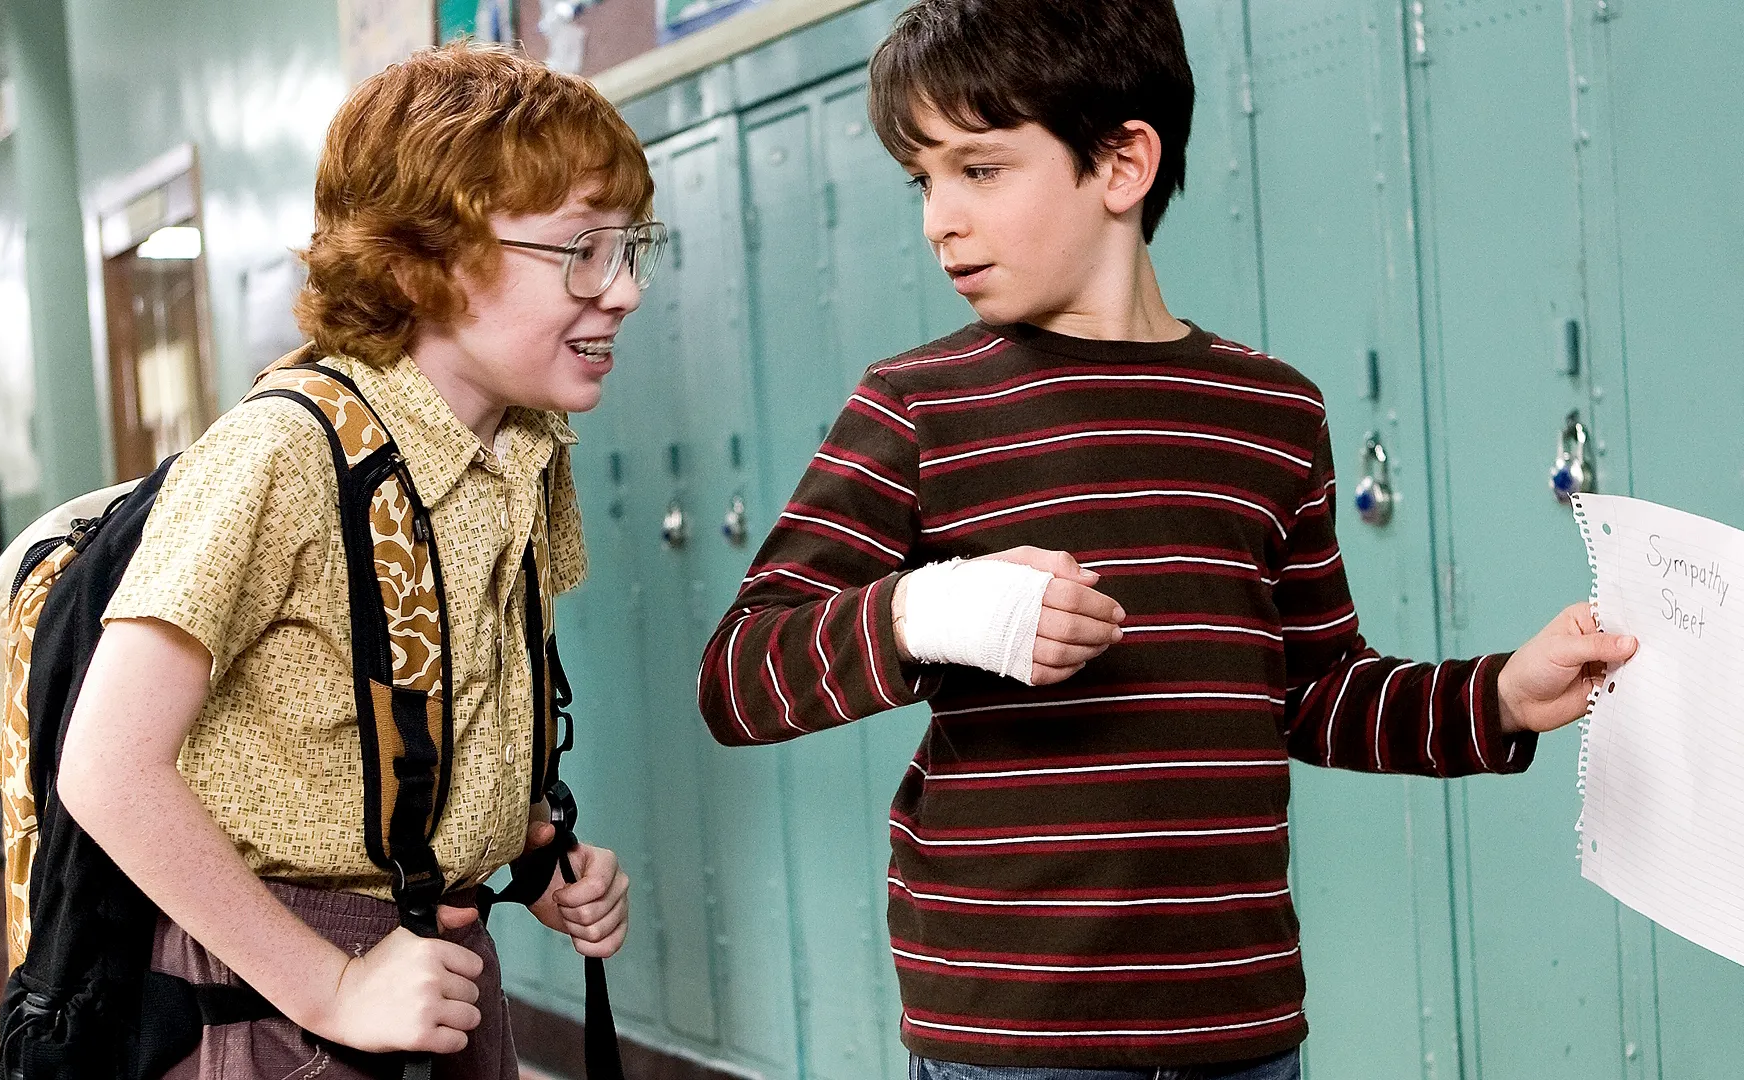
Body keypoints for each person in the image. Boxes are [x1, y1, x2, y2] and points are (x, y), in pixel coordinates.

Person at [695, 2, 1638, 1077]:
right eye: (924, 180)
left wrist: (1504, 694)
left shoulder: (1272, 413)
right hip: (1012, 1033)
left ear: (1122, 162)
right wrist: (928, 611)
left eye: (980, 170)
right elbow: (736, 676)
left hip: (1237, 1025)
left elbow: (1313, 690)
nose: (938, 220)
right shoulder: (919, 406)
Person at [55, 43, 655, 1076]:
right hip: (274, 996)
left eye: (633, 247)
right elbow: (106, 770)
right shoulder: (281, 455)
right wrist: (329, 984)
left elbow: (412, 715)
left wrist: (524, 847)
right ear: (427, 258)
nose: (625, 291)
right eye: (582, 251)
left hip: (440, 970)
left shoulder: (522, 449)